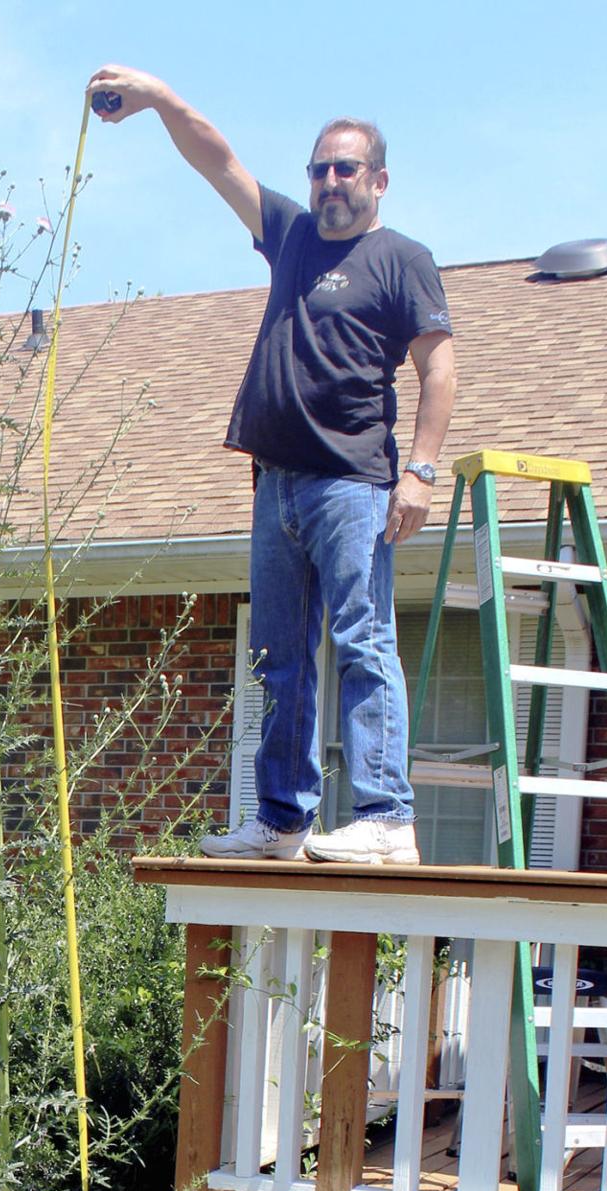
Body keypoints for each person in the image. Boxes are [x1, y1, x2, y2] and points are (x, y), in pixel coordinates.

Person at [88, 67, 456, 864]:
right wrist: (158, 99)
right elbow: (217, 160)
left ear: (379, 181)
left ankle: (387, 818)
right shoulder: (289, 235)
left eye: (345, 168)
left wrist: (420, 472)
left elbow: (441, 369)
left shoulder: (401, 259)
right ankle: (283, 821)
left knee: (363, 639)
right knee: (278, 656)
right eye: (319, 167)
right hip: (275, 483)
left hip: (353, 483)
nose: (329, 181)